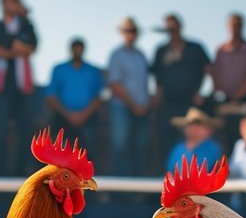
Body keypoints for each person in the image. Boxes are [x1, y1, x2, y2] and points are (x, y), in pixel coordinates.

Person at [0, 0, 39, 175]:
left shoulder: (27, 25)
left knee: (25, 134)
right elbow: (5, 43)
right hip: (1, 89)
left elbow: (32, 45)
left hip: (23, 90)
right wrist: (19, 49)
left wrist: (14, 49)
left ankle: (19, 174)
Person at [152, 13, 212, 160]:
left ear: (180, 26)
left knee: (189, 139)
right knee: (166, 140)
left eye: (174, 26)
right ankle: (169, 176)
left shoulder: (195, 47)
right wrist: (156, 100)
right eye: (168, 27)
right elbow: (157, 79)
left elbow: (209, 70)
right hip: (167, 104)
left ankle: (190, 176)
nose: (172, 30)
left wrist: (204, 93)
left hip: (190, 104)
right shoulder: (161, 50)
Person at [107, 16, 151, 175]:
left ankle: (137, 193)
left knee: (139, 149)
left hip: (142, 110)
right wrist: (134, 105)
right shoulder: (117, 55)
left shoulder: (141, 55)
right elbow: (114, 84)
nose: (130, 34)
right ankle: (118, 192)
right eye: (127, 30)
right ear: (121, 32)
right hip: (122, 108)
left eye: (133, 30)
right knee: (120, 147)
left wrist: (145, 104)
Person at [211, 12, 246, 141]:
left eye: (238, 25)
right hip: (224, 101)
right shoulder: (220, 50)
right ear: (227, 27)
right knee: (222, 137)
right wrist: (222, 92)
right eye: (232, 25)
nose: (235, 28)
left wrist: (237, 96)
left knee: (245, 137)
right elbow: (215, 73)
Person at [44, 37, 104, 150]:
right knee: (58, 155)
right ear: (70, 50)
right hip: (62, 118)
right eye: (75, 49)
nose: (77, 51)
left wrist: (83, 115)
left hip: (88, 118)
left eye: (79, 49)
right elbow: (50, 96)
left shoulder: (93, 71)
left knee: (87, 154)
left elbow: (99, 97)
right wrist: (68, 115)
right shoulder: (59, 69)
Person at [165, 107, 224, 174]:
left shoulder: (213, 147)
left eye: (198, 125)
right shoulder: (178, 147)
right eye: (190, 125)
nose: (194, 128)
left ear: (209, 130)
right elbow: (170, 170)